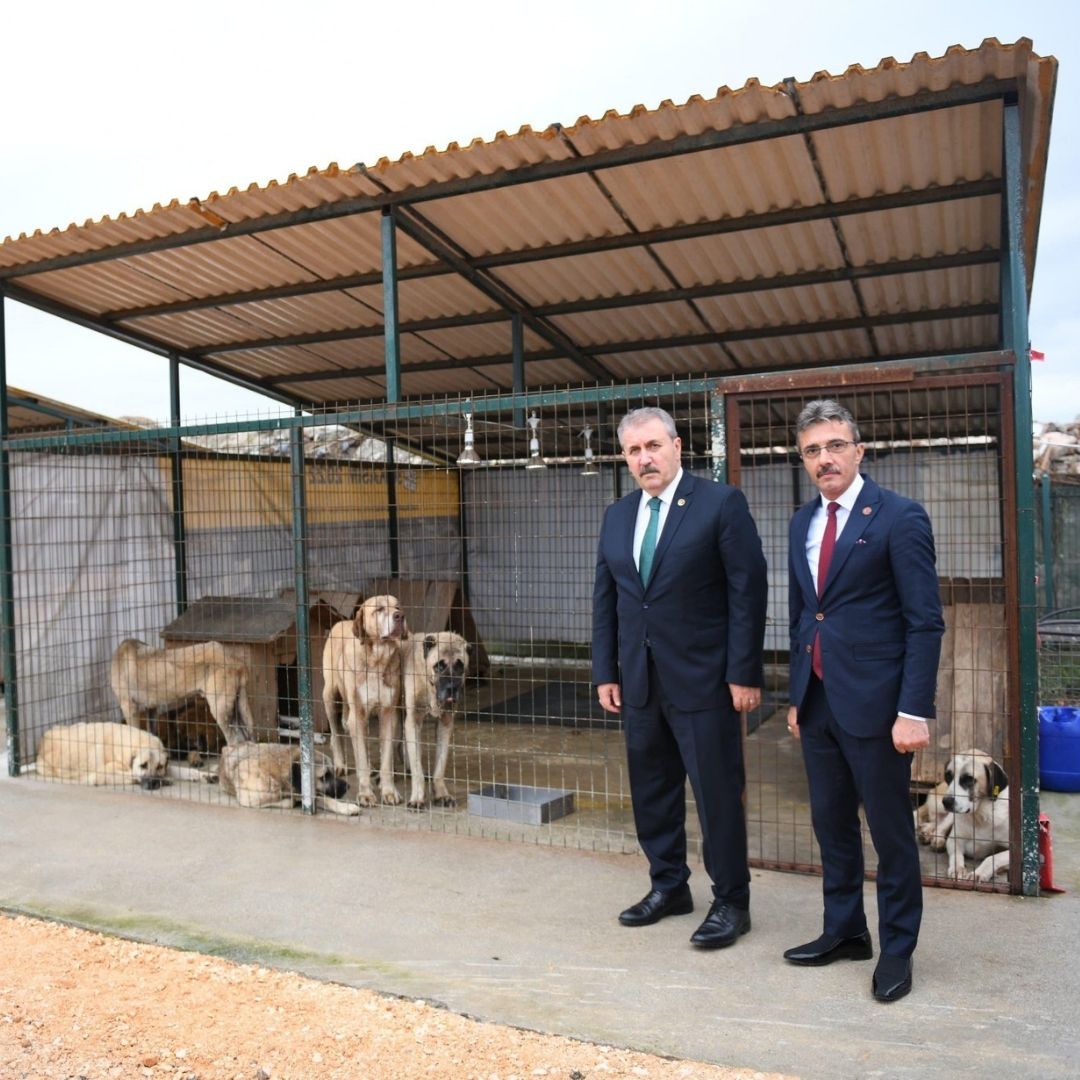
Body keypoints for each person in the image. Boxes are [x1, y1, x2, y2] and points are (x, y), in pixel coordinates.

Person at [785, 399, 944, 1003]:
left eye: (834, 446)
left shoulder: (899, 518)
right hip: (820, 701)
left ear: (858, 450)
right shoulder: (802, 522)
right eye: (812, 450)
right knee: (831, 826)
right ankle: (844, 930)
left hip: (879, 708)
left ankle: (897, 947)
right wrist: (798, 696)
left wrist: (913, 709)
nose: (824, 459)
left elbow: (924, 622)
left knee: (890, 831)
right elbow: (807, 613)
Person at [592, 406, 768, 949]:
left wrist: (743, 672)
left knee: (716, 794)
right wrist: (605, 671)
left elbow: (748, 592)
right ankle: (669, 885)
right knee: (652, 791)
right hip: (640, 683)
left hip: (705, 681)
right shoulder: (619, 515)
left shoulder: (719, 504)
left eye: (653, 446)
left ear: (676, 445)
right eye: (633, 451)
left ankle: (731, 901)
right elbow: (607, 598)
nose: (644, 458)